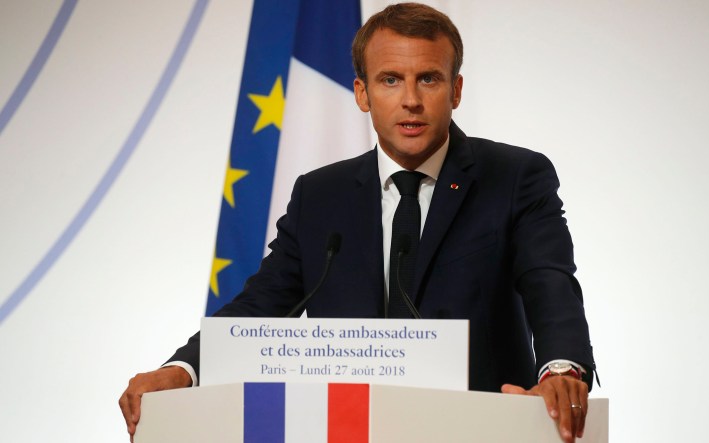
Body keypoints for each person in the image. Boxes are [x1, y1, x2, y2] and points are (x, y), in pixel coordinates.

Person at [119, 3, 596, 442]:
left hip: (479, 430)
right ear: (362, 94)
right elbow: (262, 303)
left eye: (428, 79)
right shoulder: (319, 195)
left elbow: (549, 282)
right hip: (348, 428)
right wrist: (183, 369)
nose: (411, 100)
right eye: (390, 80)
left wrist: (561, 371)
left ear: (456, 90)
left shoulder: (514, 177)